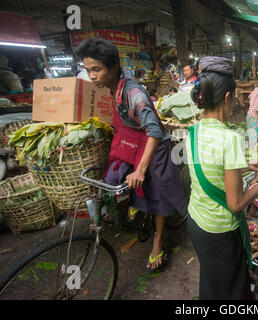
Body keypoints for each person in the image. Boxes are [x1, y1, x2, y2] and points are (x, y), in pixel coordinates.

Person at [76, 38, 187, 270]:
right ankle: (138, 204)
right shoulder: (111, 88)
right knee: (120, 178)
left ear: (114, 67)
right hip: (135, 141)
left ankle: (158, 243)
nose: (92, 76)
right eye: (88, 70)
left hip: (154, 145)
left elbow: (154, 130)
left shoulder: (134, 94)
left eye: (96, 69)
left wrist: (141, 169)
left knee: (158, 195)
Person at [186, 56, 258, 299]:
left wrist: (244, 164)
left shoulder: (193, 131)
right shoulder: (230, 139)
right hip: (220, 232)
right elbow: (236, 204)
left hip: (197, 222)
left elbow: (210, 165)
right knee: (231, 290)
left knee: (212, 281)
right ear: (229, 98)